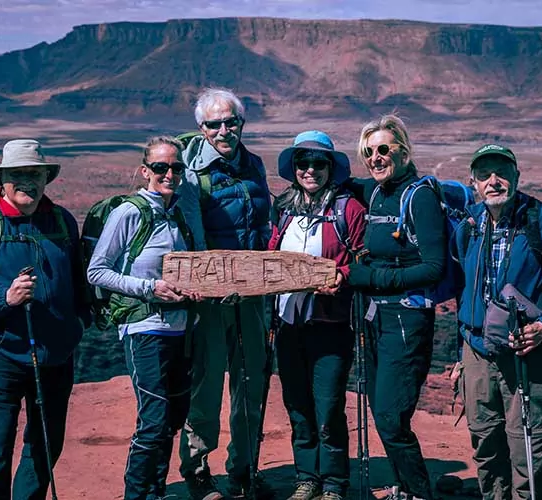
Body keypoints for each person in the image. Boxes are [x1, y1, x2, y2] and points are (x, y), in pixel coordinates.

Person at [0, 139, 91, 500]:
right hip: (2, 352)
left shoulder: (62, 221)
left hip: (56, 354)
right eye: (19, 174)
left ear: (46, 178)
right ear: (3, 179)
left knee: (46, 442)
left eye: (35, 173)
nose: (28, 181)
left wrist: (79, 323)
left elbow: (78, 281)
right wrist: (3, 297)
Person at [453, 144, 542, 500]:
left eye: (502, 173)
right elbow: (464, 293)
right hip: (476, 352)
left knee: (531, 445)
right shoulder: (469, 226)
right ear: (474, 183)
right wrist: (459, 351)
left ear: (516, 177)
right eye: (485, 175)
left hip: (526, 352)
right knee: (485, 441)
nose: (493, 181)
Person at [87, 136, 201, 500]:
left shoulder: (178, 212)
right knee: (153, 420)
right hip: (145, 328)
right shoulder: (129, 213)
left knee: (172, 418)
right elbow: (97, 272)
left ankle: (156, 491)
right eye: (161, 167)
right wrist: (150, 288)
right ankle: (136, 495)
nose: (169, 174)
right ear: (145, 171)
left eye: (176, 168)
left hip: (181, 327)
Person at [176, 87, 273, 500]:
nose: (223, 130)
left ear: (241, 123)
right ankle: (197, 470)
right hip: (209, 297)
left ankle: (244, 469)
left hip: (252, 293)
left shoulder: (254, 165)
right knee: (207, 384)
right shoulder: (189, 171)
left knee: (252, 383)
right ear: (201, 128)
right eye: (214, 123)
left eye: (230, 121)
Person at [345, 114, 447, 500]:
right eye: (368, 152)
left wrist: (371, 278)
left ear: (404, 151)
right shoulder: (374, 192)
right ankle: (405, 487)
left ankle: (419, 492)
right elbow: (337, 178)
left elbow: (434, 267)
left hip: (407, 317)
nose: (376, 157)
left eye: (384, 149)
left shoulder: (419, 196)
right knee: (380, 408)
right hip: (376, 317)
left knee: (390, 414)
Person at [268, 131, 367, 500]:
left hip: (330, 323)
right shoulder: (284, 208)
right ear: (294, 169)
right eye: (303, 163)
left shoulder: (348, 209)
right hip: (289, 323)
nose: (310, 170)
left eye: (319, 163)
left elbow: (362, 259)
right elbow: (270, 257)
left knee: (328, 405)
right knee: (297, 402)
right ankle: (306, 477)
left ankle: (334, 483)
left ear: (331, 168)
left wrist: (341, 277)